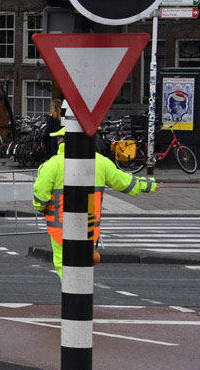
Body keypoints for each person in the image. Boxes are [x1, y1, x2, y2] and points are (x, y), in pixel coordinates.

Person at [33, 105, 159, 278]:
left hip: (60, 230)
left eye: (60, 138)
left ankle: (73, 302)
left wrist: (40, 207)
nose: (57, 141)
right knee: (84, 269)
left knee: (65, 269)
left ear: (65, 140)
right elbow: (124, 182)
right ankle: (82, 299)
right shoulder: (100, 162)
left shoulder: (51, 165)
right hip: (89, 229)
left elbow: (40, 196)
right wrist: (148, 185)